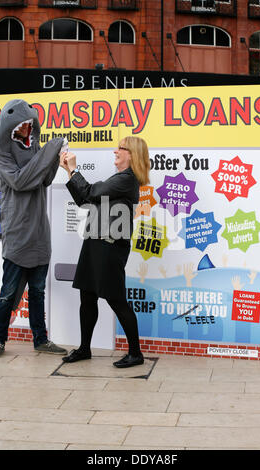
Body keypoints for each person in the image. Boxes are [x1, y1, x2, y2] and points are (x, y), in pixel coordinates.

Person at [60, 136, 150, 368]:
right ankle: (84, 349)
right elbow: (84, 200)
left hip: (109, 248)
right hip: (94, 244)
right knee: (87, 297)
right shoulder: (119, 178)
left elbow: (90, 192)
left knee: (117, 300)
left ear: (132, 154)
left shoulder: (127, 180)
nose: (115, 151)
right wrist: (69, 172)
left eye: (120, 148)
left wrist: (75, 169)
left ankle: (135, 354)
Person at [0, 99, 68, 358]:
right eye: (22, 124)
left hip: (39, 233)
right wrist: (50, 148)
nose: (26, 128)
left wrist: (55, 156)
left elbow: (43, 179)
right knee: (9, 291)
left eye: (29, 124)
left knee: (38, 292)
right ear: (10, 126)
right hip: (17, 232)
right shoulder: (1, 154)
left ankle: (41, 340)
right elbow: (21, 181)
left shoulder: (34, 147)